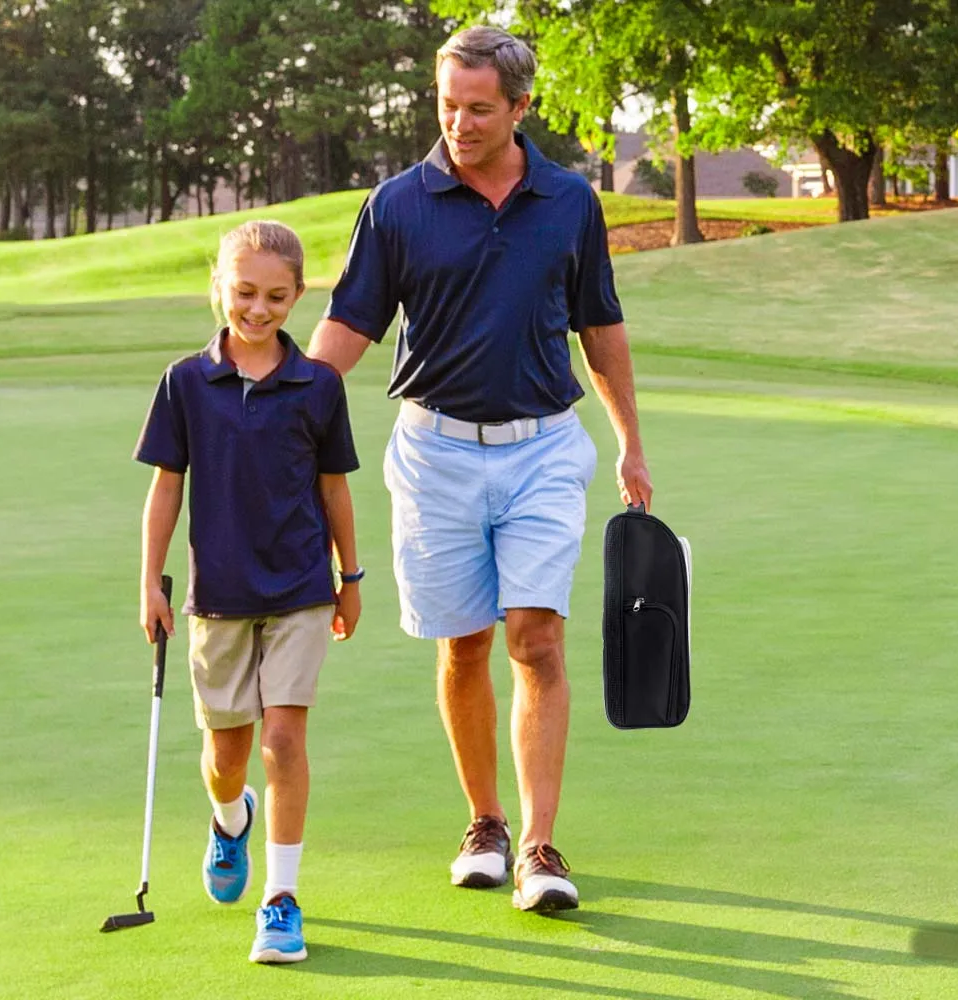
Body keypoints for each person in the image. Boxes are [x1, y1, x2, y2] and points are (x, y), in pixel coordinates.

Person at [307, 26, 651, 913]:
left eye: (479, 109)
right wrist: (280, 413)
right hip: (434, 455)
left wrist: (630, 444)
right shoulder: (396, 203)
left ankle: (539, 845)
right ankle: (485, 823)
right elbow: (349, 326)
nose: (458, 123)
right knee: (462, 644)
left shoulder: (570, 201)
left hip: (542, 449)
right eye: (447, 105)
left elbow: (600, 326)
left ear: (520, 108)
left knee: (535, 639)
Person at [134, 220, 362, 963]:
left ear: (297, 296)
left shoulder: (319, 386)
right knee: (227, 757)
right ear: (219, 289)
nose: (257, 309)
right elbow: (167, 490)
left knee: (284, 740)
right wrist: (150, 583)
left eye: (274, 296)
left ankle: (282, 897)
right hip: (218, 596)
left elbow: (335, 488)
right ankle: (230, 821)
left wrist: (349, 577)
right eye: (243, 293)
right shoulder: (184, 382)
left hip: (300, 588)